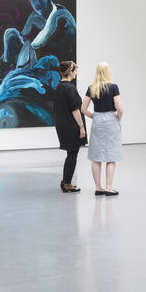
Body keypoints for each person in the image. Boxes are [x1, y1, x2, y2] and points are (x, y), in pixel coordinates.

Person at [81, 62, 123, 196]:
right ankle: (109, 188)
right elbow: (119, 108)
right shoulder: (113, 87)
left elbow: (83, 109)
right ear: (107, 72)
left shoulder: (91, 88)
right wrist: (118, 117)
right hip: (111, 119)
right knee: (111, 155)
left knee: (96, 155)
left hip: (97, 120)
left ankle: (98, 187)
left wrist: (93, 116)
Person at [53, 61, 87, 193]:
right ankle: (67, 184)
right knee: (73, 154)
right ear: (70, 72)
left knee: (70, 154)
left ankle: (65, 181)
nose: (76, 73)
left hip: (62, 125)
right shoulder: (70, 88)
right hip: (71, 126)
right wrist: (81, 127)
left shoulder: (59, 87)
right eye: (75, 70)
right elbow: (75, 110)